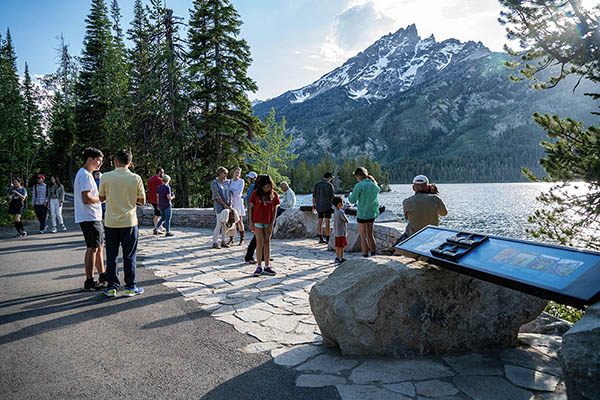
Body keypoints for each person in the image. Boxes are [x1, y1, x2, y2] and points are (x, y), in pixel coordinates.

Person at [99, 149, 146, 297]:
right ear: (130, 163)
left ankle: (112, 287)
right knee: (129, 255)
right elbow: (142, 201)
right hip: (129, 221)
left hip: (111, 222)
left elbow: (101, 198)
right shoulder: (136, 178)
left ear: (115, 160)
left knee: (112, 255)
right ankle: (130, 287)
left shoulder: (106, 177)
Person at [74, 147, 107, 291]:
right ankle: (89, 281)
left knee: (99, 246)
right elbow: (86, 199)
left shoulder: (86, 174)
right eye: (98, 160)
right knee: (92, 248)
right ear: (89, 160)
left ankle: (103, 275)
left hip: (93, 216)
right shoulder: (85, 175)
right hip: (89, 217)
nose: (100, 163)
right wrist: (101, 199)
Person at [249, 175, 279, 277]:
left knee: (267, 243)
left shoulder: (274, 195)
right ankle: (258, 266)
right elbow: (251, 208)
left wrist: (272, 223)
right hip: (257, 221)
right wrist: (251, 222)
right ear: (261, 186)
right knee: (259, 243)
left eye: (268, 187)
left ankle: (267, 265)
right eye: (265, 187)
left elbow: (275, 209)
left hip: (268, 222)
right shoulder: (255, 194)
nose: (267, 189)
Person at [348, 167, 380, 257]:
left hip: (362, 214)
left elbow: (353, 200)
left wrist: (350, 194)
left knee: (363, 237)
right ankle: (373, 254)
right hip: (371, 213)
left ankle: (365, 255)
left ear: (358, 176)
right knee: (370, 235)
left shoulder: (359, 185)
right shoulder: (374, 185)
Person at [211, 167, 232, 249]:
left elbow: (229, 193)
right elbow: (216, 195)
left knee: (225, 225)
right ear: (219, 173)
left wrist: (230, 203)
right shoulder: (215, 183)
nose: (225, 175)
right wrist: (223, 204)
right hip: (219, 206)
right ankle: (215, 242)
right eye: (224, 174)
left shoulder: (227, 182)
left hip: (226, 206)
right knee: (219, 224)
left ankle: (223, 241)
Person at [312, 172, 335, 243]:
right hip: (328, 206)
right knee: (328, 221)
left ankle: (320, 238)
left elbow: (314, 197)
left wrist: (313, 206)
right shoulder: (330, 185)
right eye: (331, 178)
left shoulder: (317, 185)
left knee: (320, 221)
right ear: (329, 177)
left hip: (319, 206)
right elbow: (332, 197)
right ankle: (328, 238)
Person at [228, 167, 246, 245]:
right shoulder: (229, 181)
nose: (237, 174)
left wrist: (232, 192)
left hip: (238, 202)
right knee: (231, 220)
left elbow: (239, 192)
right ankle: (231, 238)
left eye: (239, 173)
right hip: (231, 202)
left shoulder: (241, 181)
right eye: (236, 172)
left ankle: (242, 238)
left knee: (239, 220)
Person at [148, 168, 164, 235]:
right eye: (163, 172)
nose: (163, 174)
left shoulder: (150, 179)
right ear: (160, 172)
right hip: (157, 199)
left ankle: (160, 226)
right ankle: (156, 228)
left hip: (151, 198)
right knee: (158, 214)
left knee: (158, 214)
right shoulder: (160, 180)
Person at [332, 196, 348, 264]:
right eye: (342, 202)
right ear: (338, 204)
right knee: (341, 246)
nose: (343, 203)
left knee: (337, 245)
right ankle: (341, 258)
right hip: (341, 232)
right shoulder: (341, 212)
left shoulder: (335, 210)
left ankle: (337, 257)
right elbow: (346, 220)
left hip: (336, 232)